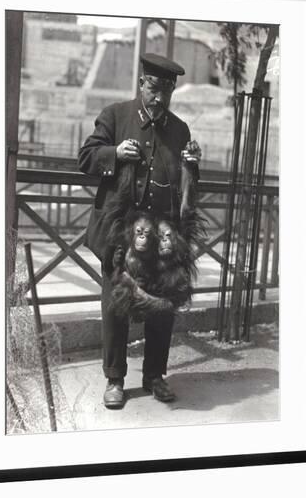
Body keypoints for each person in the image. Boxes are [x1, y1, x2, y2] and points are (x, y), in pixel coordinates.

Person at [78, 53, 201, 408]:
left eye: (166, 91)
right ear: (142, 84)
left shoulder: (180, 130)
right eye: (153, 88)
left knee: (162, 308)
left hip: (161, 238)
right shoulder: (115, 115)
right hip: (119, 235)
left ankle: (154, 376)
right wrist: (114, 152)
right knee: (116, 306)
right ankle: (115, 379)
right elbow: (85, 157)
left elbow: (185, 184)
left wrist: (192, 165)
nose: (159, 98)